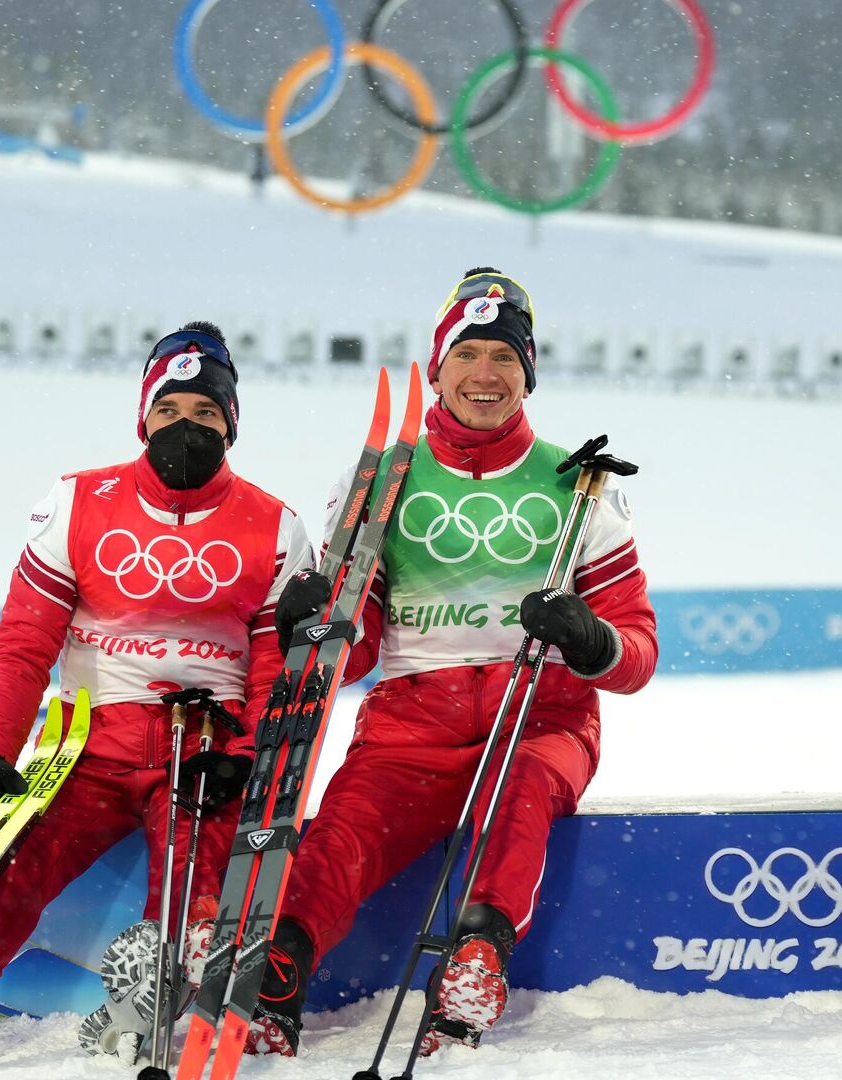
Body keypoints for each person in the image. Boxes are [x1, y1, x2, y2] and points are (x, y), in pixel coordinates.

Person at [0, 322, 311, 1067]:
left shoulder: (277, 526)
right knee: (21, 861)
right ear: (143, 416)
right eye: (169, 411)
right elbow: (26, 638)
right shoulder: (77, 502)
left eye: (205, 414)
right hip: (90, 740)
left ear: (231, 424)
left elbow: (273, 668)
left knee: (197, 874)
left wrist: (248, 757)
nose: (185, 428)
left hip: (204, 743)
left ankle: (153, 1000)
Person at [245, 268, 658, 1058]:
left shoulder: (580, 485)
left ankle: (476, 962)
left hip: (539, 713)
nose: (486, 374)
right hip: (411, 720)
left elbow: (637, 653)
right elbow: (356, 648)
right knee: (344, 833)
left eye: (505, 357)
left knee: (522, 792)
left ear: (527, 374)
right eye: (468, 353)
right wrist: (314, 622)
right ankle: (281, 971)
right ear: (437, 368)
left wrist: (588, 637)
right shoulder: (377, 482)